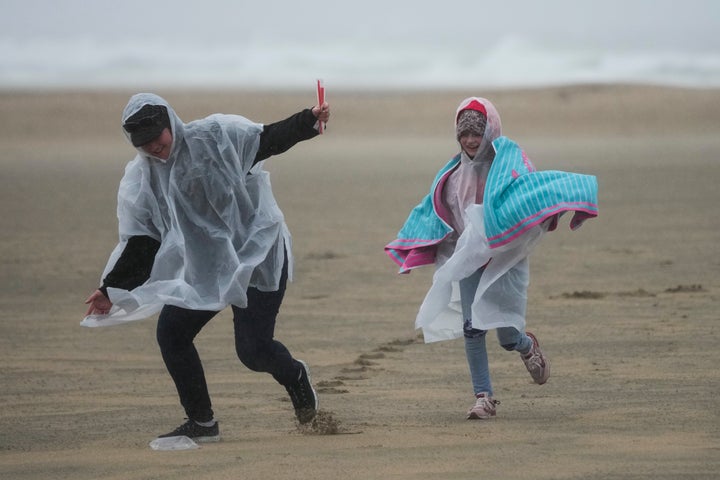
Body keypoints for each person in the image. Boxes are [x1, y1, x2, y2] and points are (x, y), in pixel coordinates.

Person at [84, 92, 331, 442]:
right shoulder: (143, 180)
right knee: (172, 333)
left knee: (253, 351)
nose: (154, 147)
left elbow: (268, 139)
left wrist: (308, 119)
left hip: (258, 253)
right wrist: (111, 287)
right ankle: (202, 423)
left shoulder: (215, 137)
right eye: (144, 144)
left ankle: (294, 376)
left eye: (158, 137)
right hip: (208, 265)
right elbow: (144, 241)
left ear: (171, 122)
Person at [385, 97, 598, 420]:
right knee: (472, 327)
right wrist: (418, 245)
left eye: (477, 134)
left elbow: (533, 193)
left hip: (504, 256)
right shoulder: (452, 173)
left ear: (490, 132)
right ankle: (483, 397)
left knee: (505, 334)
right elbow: (435, 209)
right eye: (464, 134)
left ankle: (526, 346)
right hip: (470, 257)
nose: (471, 141)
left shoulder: (510, 164)